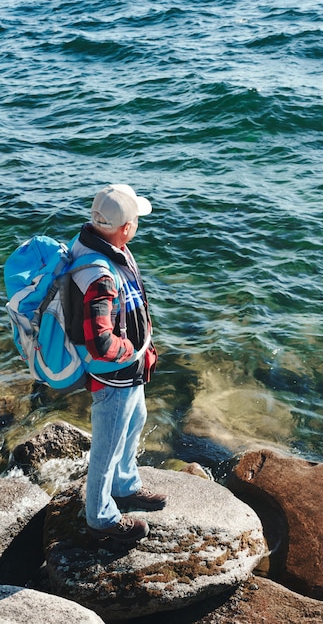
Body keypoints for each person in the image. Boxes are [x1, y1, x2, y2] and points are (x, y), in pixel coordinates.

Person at [69, 183, 166, 543]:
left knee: (135, 420)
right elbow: (100, 342)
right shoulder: (99, 274)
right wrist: (133, 351)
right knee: (106, 446)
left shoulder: (103, 245)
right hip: (114, 377)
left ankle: (125, 485)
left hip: (128, 375)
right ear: (125, 227)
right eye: (136, 220)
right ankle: (101, 516)